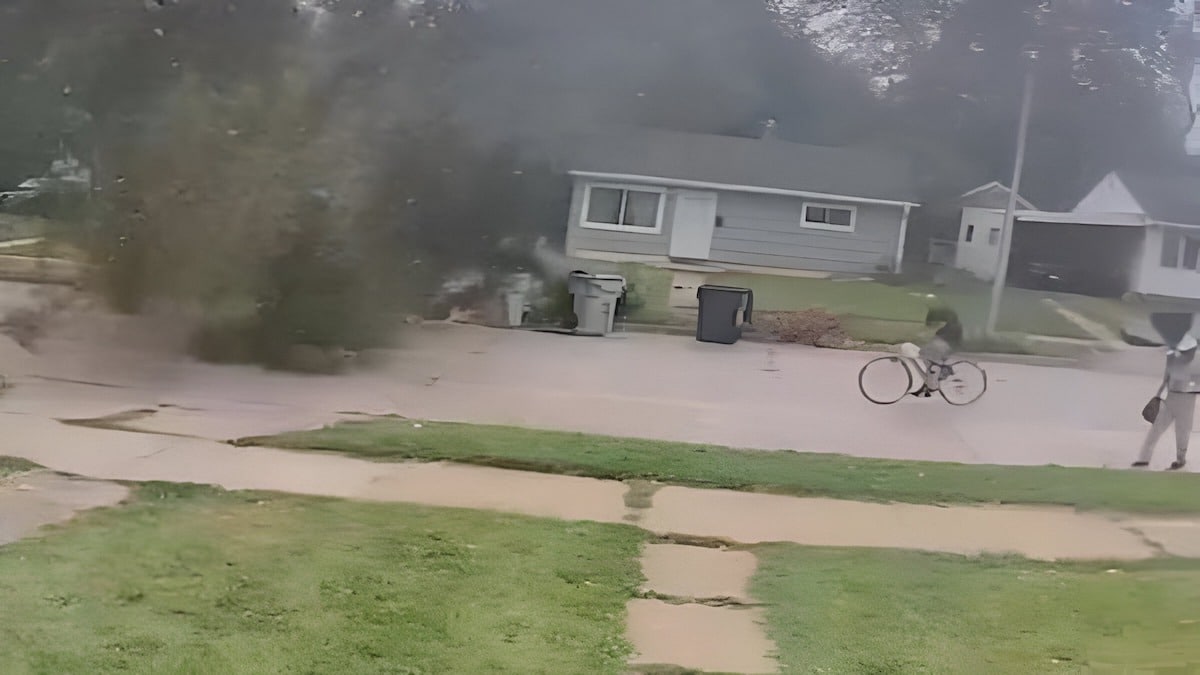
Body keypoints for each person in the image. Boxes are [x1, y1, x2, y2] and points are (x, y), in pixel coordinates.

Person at [1134, 313, 1200, 471]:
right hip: (1170, 398)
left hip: (1187, 400)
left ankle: (1180, 460)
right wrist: (1157, 396)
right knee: (1156, 429)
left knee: (1182, 433)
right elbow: (1166, 379)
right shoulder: (1173, 359)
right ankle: (1143, 459)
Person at [914, 307, 963, 396]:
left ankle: (931, 384)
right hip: (947, 344)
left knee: (929, 357)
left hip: (947, 346)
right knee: (926, 356)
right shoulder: (949, 324)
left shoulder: (950, 327)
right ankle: (929, 383)